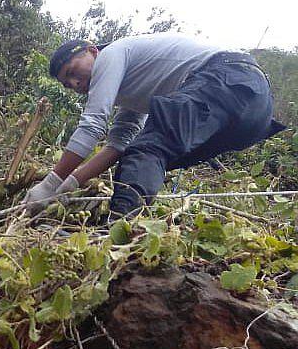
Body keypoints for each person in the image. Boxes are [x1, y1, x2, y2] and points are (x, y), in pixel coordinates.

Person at [25, 33, 285, 218]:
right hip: (253, 112)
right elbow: (118, 145)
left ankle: (119, 232)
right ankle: (132, 224)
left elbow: (93, 125)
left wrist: (49, 184)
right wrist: (69, 185)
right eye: (67, 84)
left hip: (227, 77)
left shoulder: (111, 54)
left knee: (147, 151)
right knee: (145, 154)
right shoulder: (132, 88)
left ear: (93, 51)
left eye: (72, 71)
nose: (74, 84)